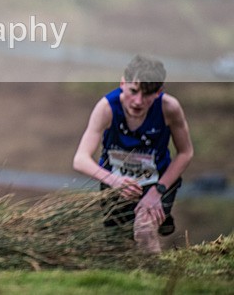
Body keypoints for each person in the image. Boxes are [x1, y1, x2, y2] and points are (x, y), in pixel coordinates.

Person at [73, 54, 194, 253]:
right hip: (116, 183)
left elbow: (186, 152)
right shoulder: (106, 108)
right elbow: (80, 159)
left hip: (158, 182)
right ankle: (131, 281)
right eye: (133, 91)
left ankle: (156, 280)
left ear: (158, 92)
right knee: (118, 247)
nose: (138, 101)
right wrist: (115, 181)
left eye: (147, 94)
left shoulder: (169, 108)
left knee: (144, 230)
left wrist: (157, 191)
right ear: (123, 83)